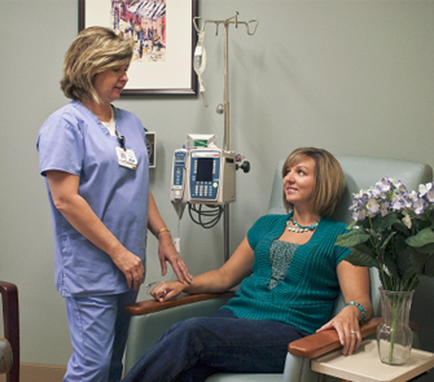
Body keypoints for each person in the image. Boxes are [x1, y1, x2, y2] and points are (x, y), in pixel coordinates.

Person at [122, 147, 373, 382]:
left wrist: (353, 310)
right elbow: (224, 276)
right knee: (186, 371)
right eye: (287, 172)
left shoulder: (342, 236)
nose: (289, 178)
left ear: (324, 183)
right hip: (235, 320)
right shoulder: (267, 225)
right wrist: (183, 285)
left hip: (290, 332)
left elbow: (360, 299)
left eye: (300, 172)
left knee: (192, 332)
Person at [36, 26, 192, 382]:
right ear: (90, 69)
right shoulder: (64, 126)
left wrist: (163, 235)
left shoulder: (129, 122)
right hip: (92, 266)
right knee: (91, 366)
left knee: (113, 365)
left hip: (129, 266)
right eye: (117, 69)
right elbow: (65, 200)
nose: (125, 77)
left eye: (126, 68)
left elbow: (138, 186)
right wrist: (118, 252)